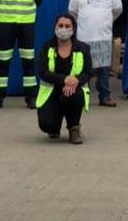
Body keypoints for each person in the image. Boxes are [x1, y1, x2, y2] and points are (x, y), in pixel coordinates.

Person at [68, 0, 123, 107]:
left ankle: (104, 96)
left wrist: (105, 22)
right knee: (82, 68)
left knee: (104, 69)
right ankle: (78, 96)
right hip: (83, 37)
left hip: (103, 36)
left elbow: (117, 10)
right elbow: (72, 12)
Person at [36, 14, 91, 144]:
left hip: (73, 90)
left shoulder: (83, 48)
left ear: (73, 29)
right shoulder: (47, 47)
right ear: (55, 27)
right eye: (60, 26)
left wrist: (76, 80)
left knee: (73, 95)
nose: (63, 29)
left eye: (67, 26)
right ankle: (55, 124)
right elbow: (43, 72)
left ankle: (74, 128)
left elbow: (88, 72)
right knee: (47, 125)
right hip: (51, 91)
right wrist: (65, 79)